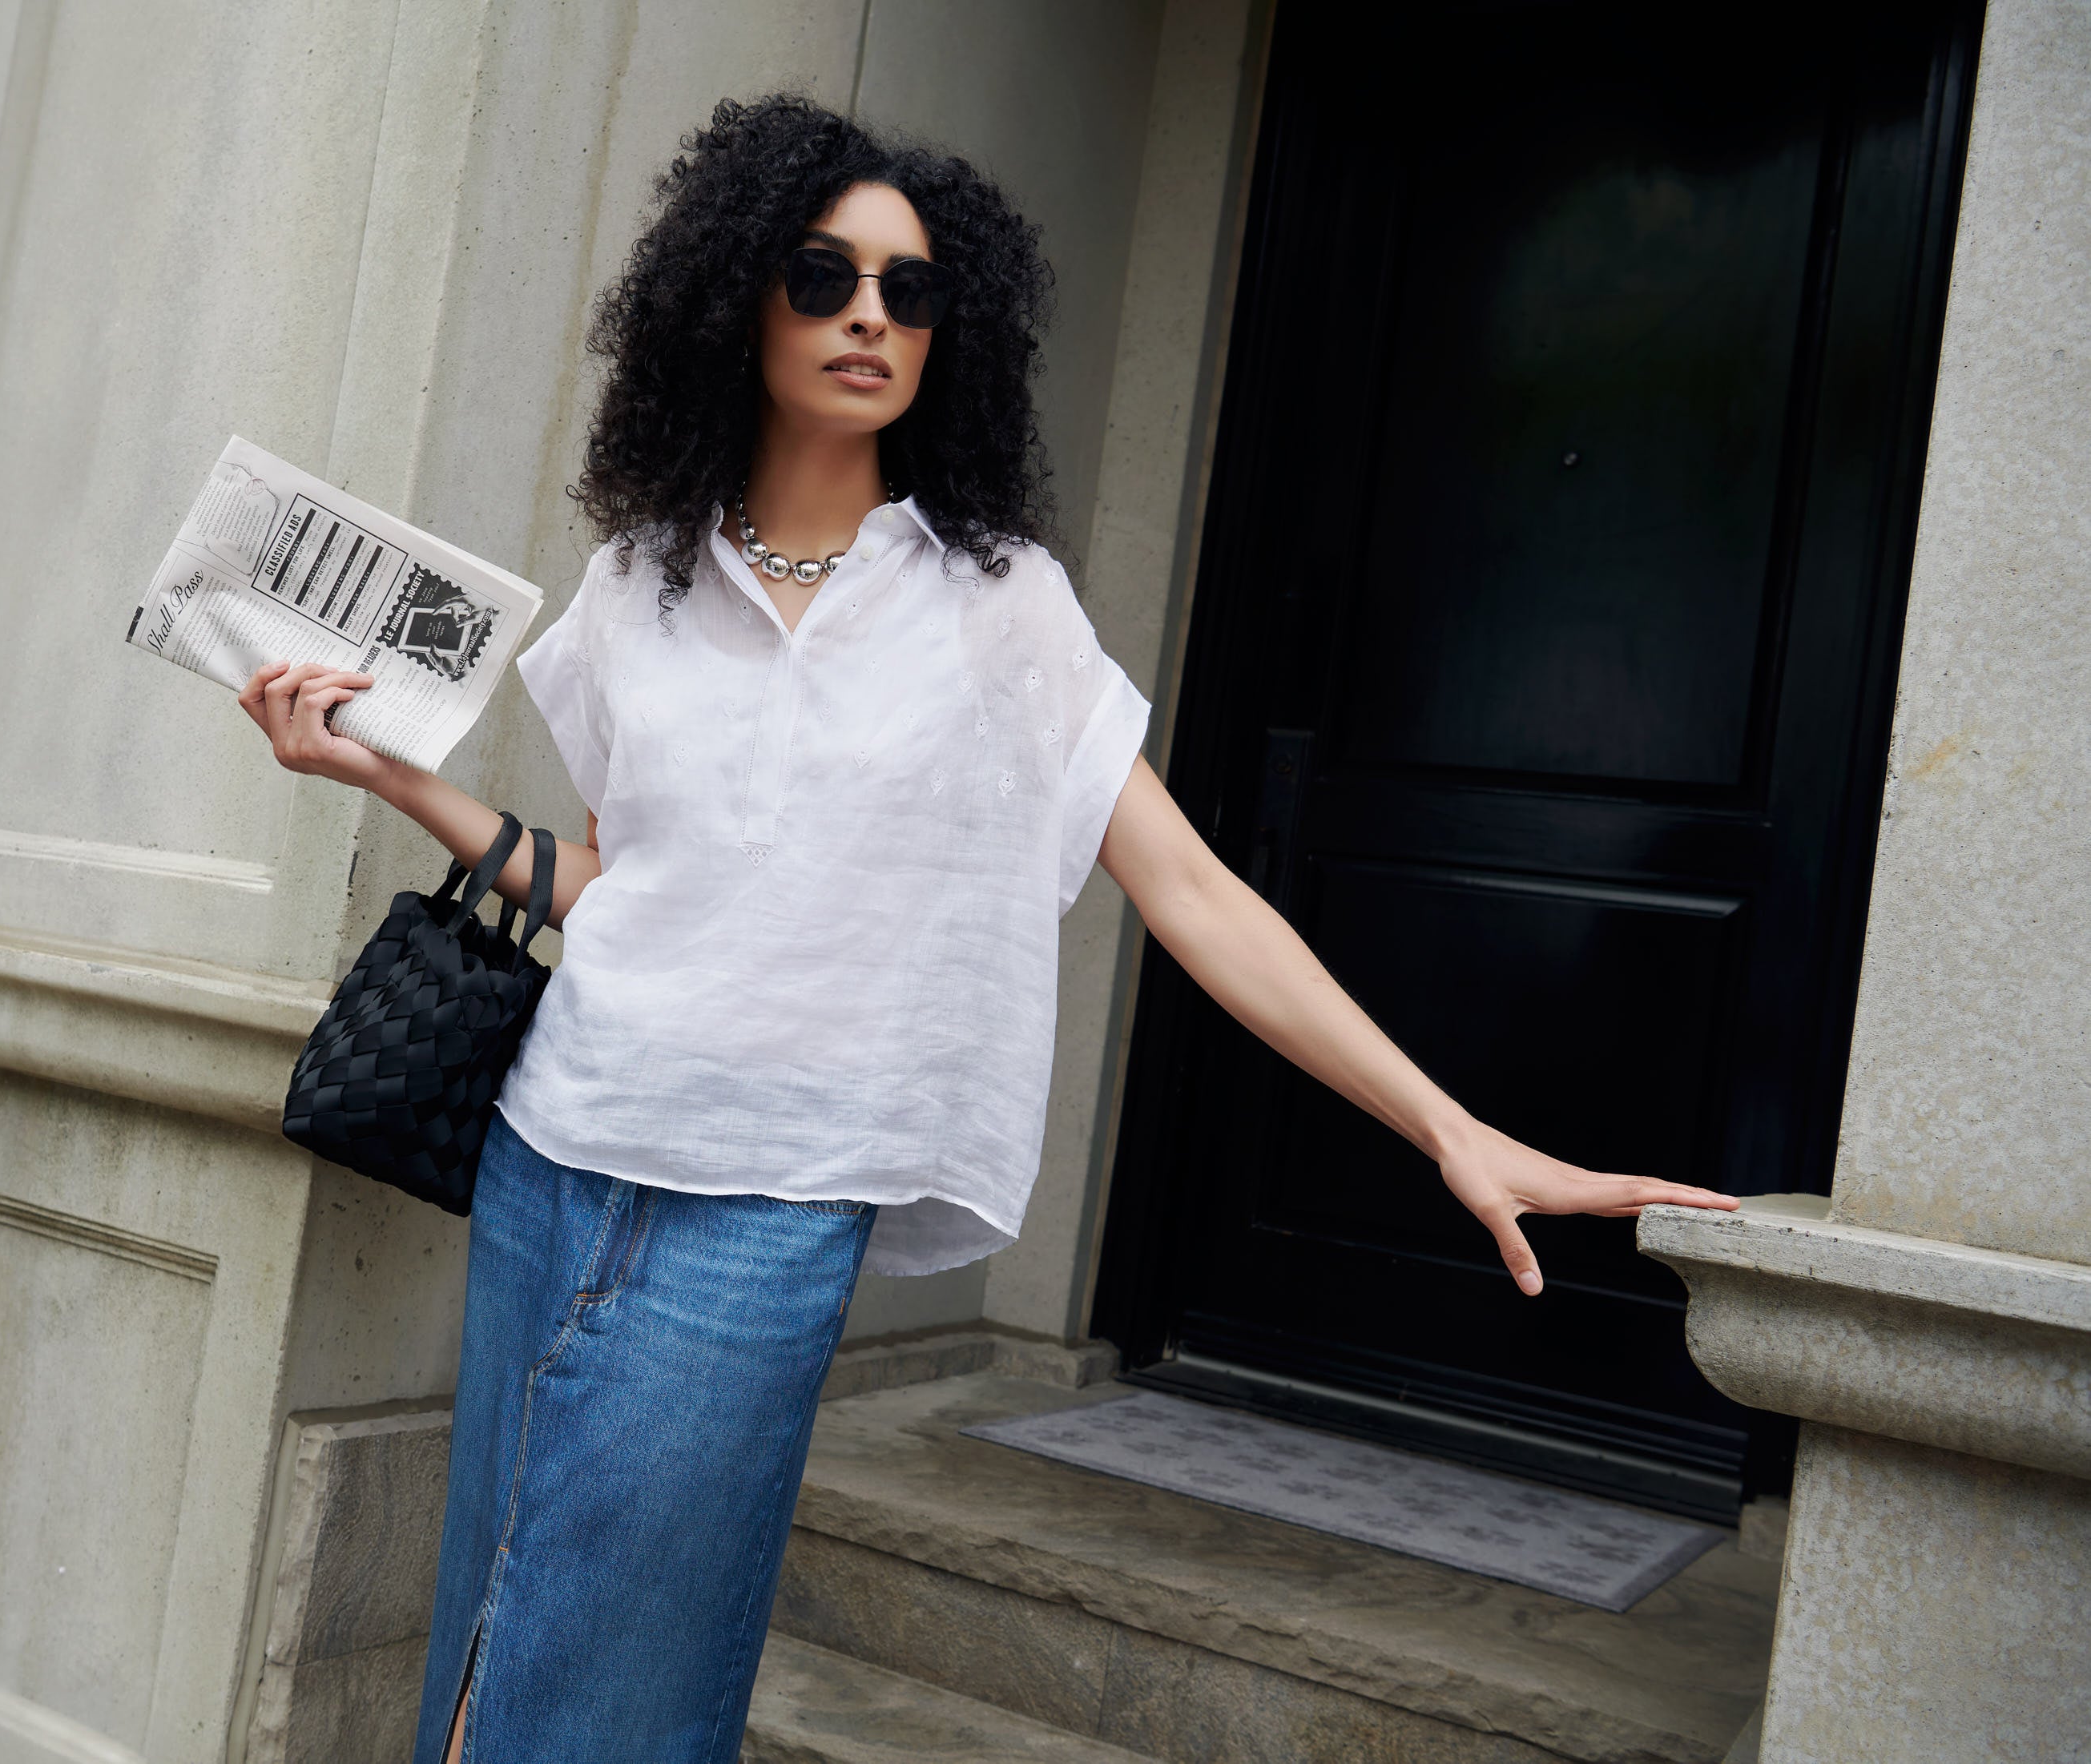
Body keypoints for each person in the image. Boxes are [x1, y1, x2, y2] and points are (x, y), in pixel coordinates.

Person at [240, 94, 1738, 1764]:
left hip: (769, 1210)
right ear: (733, 300)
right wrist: (385, 775)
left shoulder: (992, 603)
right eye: (822, 276)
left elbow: (1190, 890)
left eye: (912, 289)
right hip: (555, 1153)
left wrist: (1448, 1127)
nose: (869, 315)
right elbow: (622, 887)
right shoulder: (635, 581)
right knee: (489, 1627)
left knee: (613, 1681)